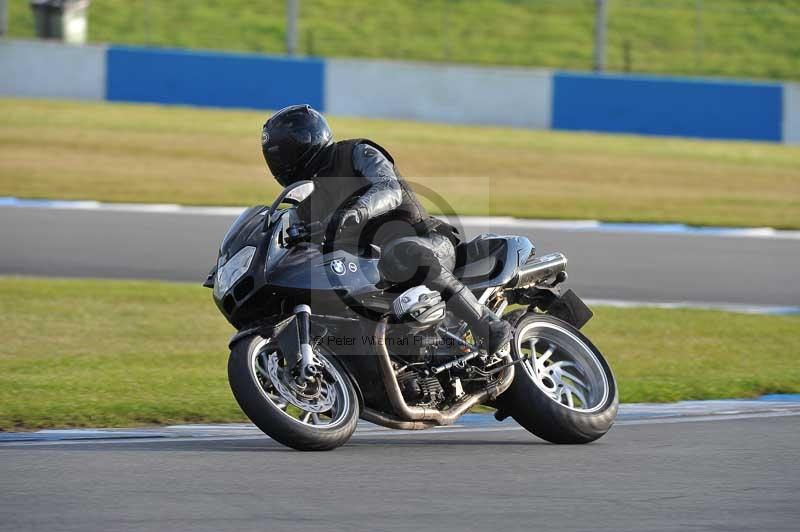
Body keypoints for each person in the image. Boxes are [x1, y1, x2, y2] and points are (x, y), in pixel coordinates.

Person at [261, 104, 512, 355]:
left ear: (307, 142)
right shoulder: (304, 201)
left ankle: (487, 323)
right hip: (375, 270)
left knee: (403, 251)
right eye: (274, 157)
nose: (280, 163)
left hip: (426, 241)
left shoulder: (357, 152)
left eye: (284, 154)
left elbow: (389, 190)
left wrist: (356, 210)